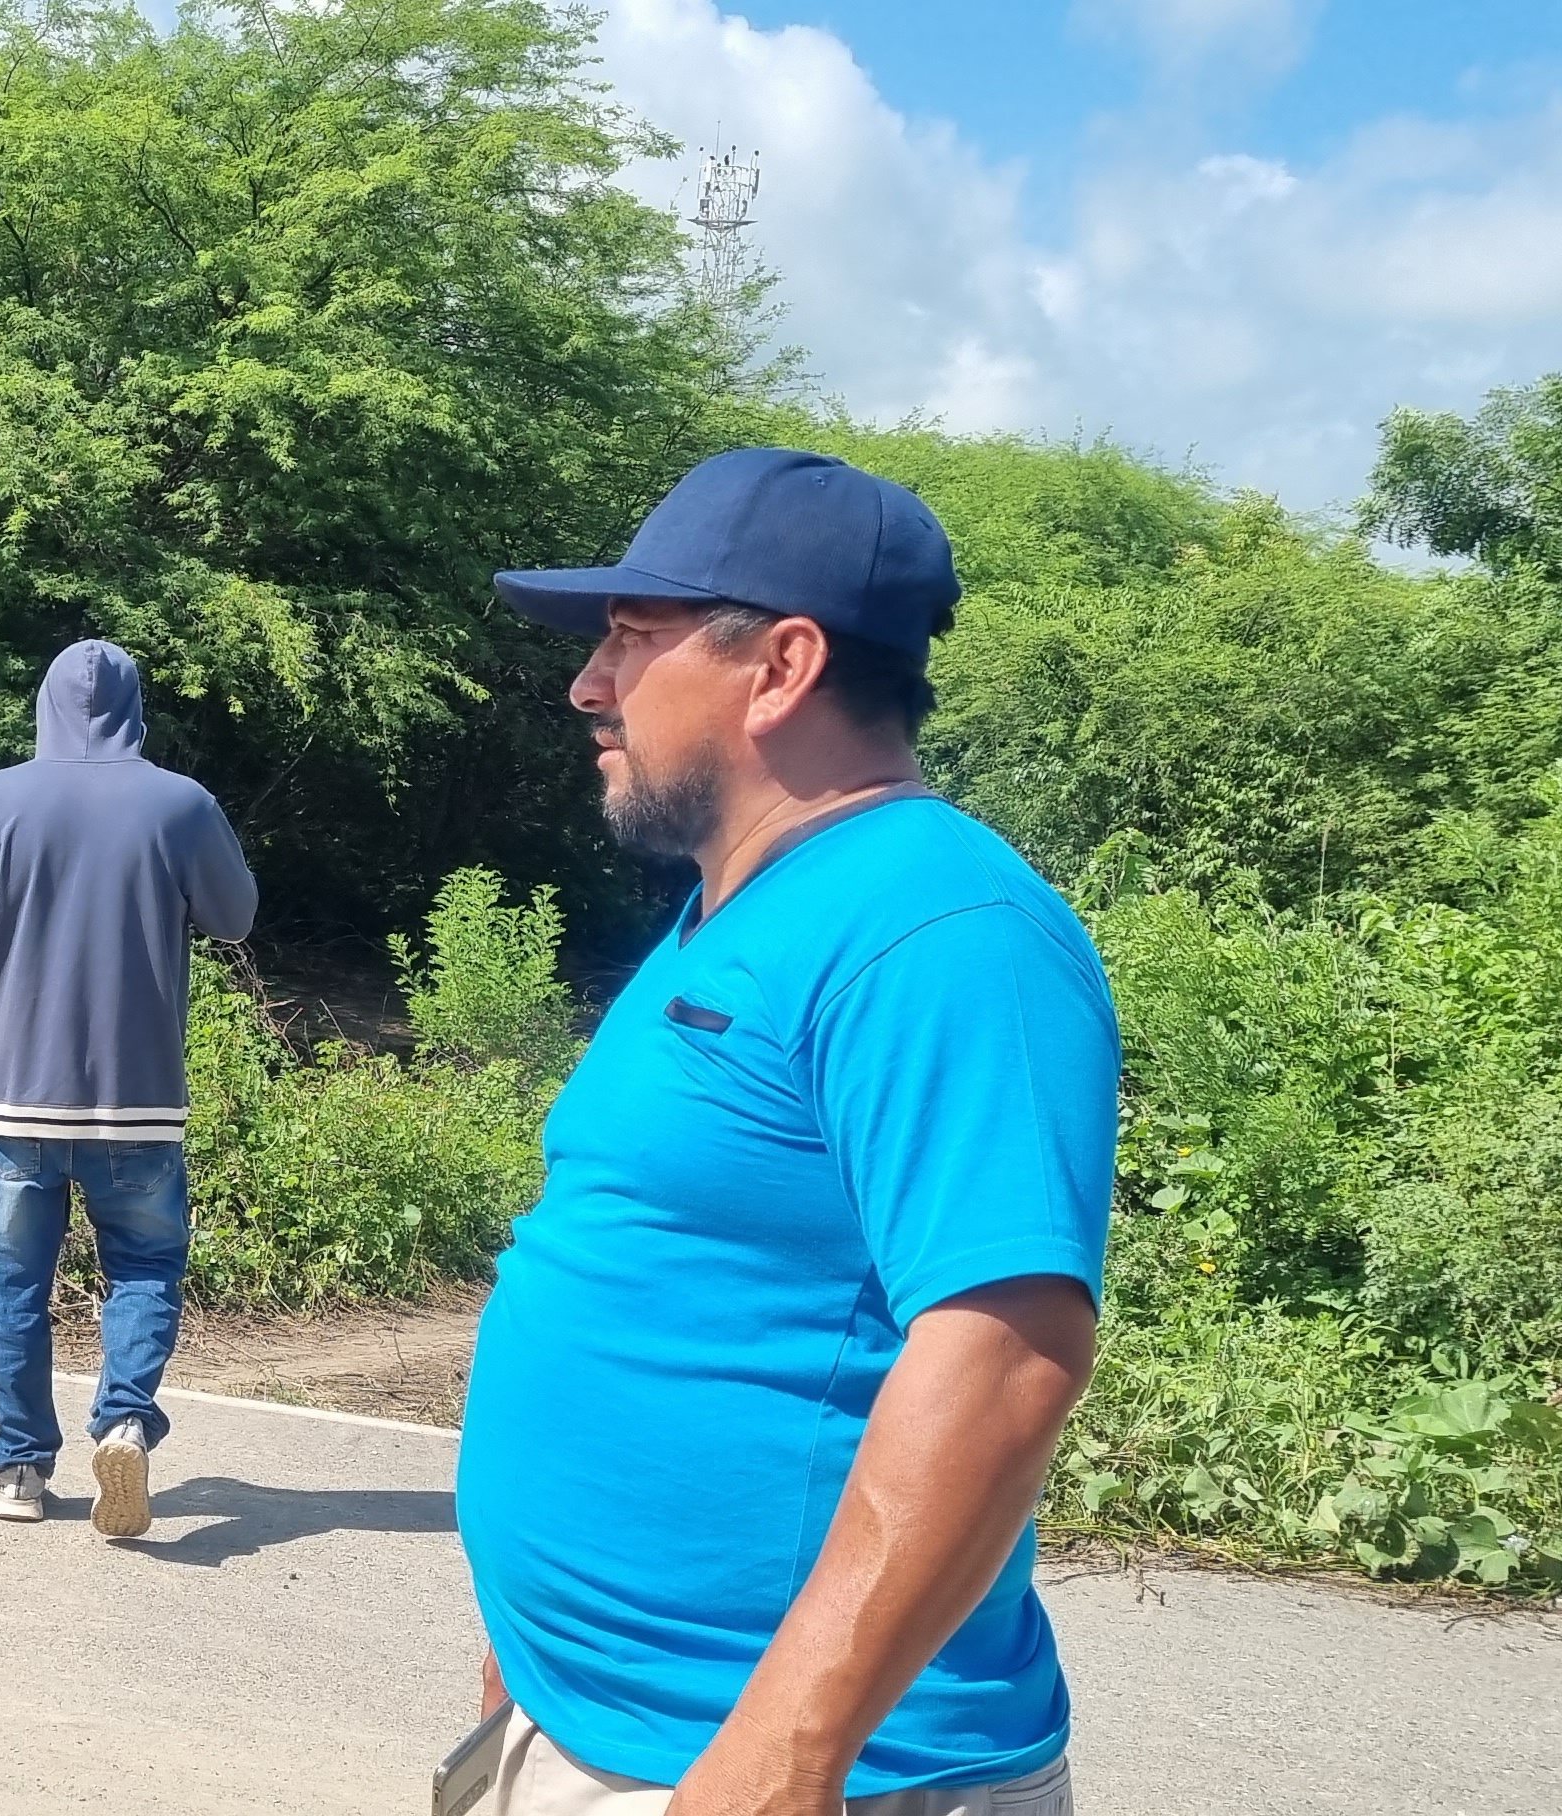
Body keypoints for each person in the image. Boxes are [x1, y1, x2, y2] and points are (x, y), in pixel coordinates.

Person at [447, 448, 1117, 1816]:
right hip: (601, 1723)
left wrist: (786, 1756)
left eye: (631, 638)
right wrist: (534, 1653)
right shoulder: (740, 911)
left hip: (802, 1772)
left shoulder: (941, 929)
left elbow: (1005, 1352)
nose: (589, 686)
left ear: (783, 665)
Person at [0, 639, 257, 1536]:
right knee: (143, 1267)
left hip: (14, 1100)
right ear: (136, 709)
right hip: (139, 1101)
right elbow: (236, 918)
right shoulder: (182, 804)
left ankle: (20, 1468)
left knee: (15, 1283)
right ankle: (126, 1422)